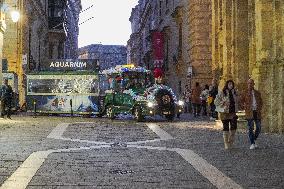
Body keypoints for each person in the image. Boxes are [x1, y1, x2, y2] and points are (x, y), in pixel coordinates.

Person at [214, 80, 238, 149]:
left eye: (232, 84)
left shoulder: (235, 92)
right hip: (225, 113)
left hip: (233, 113)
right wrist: (223, 102)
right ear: (227, 85)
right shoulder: (222, 92)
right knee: (226, 127)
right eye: (229, 84)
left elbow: (237, 101)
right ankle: (226, 143)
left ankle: (230, 141)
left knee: (234, 127)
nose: (231, 85)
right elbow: (216, 102)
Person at [240, 79, 263, 150]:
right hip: (249, 112)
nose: (250, 85)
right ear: (247, 84)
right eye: (248, 83)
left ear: (254, 84)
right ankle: (252, 143)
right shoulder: (244, 92)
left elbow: (261, 102)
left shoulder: (257, 93)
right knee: (250, 128)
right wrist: (244, 107)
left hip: (257, 112)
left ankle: (254, 139)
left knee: (258, 127)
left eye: (251, 83)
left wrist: (259, 108)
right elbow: (240, 101)